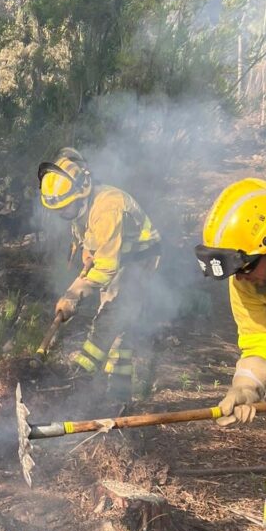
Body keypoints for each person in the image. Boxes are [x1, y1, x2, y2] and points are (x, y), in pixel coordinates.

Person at [196, 177, 266, 531]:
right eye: (234, 271)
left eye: (246, 267)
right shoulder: (245, 281)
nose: (242, 279)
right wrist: (247, 386)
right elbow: (261, 340)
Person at [38, 147, 161, 405]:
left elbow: (106, 266)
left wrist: (73, 295)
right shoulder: (80, 205)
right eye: (59, 210)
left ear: (81, 193)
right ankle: (118, 393)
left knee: (110, 318)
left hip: (139, 259)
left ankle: (79, 377)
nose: (62, 214)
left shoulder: (108, 208)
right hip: (117, 256)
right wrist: (86, 251)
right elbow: (88, 235)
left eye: (65, 208)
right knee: (121, 325)